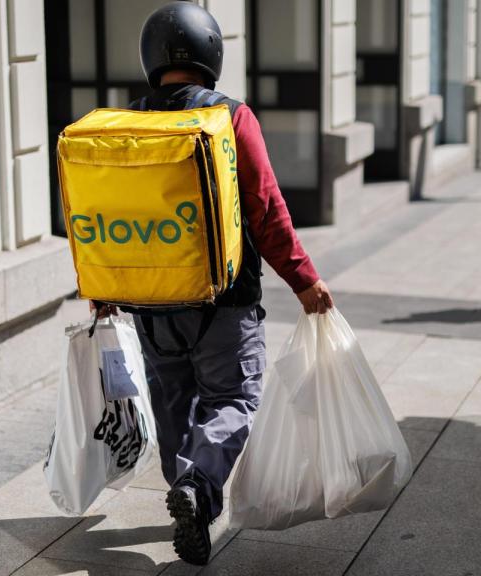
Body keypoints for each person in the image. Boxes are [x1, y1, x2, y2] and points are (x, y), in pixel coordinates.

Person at [94, 2, 334, 565]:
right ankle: (199, 486)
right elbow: (266, 209)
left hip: (150, 302)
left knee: (174, 402)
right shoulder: (230, 117)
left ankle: (189, 493)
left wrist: (103, 291)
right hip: (224, 301)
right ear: (211, 53)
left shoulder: (128, 124)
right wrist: (304, 279)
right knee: (233, 397)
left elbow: (105, 215)